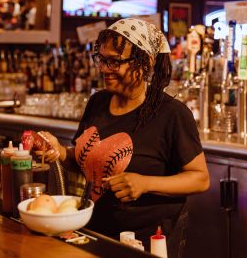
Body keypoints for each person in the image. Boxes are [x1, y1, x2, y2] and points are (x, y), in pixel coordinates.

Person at [39, 18, 210, 257]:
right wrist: (61, 151)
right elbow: (86, 163)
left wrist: (144, 183)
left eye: (115, 61)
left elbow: (200, 179)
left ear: (145, 62)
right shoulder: (98, 102)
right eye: (102, 59)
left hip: (146, 240)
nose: (104, 68)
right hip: (94, 231)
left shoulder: (172, 114)